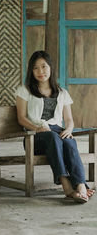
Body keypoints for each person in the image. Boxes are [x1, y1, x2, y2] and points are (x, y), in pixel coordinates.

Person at [15, 50, 95, 203]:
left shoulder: (62, 92)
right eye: (35, 68)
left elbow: (69, 119)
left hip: (57, 133)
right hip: (34, 137)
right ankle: (66, 186)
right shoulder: (24, 90)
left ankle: (80, 186)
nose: (40, 71)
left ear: (51, 68)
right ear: (31, 71)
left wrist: (69, 129)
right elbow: (21, 119)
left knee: (70, 141)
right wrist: (37, 128)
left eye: (44, 67)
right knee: (53, 137)